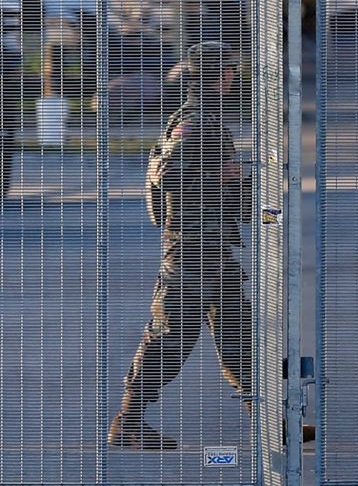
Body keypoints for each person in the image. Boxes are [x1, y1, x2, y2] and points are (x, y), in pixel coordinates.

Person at [108, 41, 253, 450]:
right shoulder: (194, 121)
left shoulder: (207, 118)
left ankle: (268, 421)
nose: (231, 76)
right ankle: (128, 422)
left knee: (239, 333)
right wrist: (219, 176)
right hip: (191, 248)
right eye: (226, 69)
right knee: (171, 336)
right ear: (210, 76)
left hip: (214, 247)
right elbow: (167, 175)